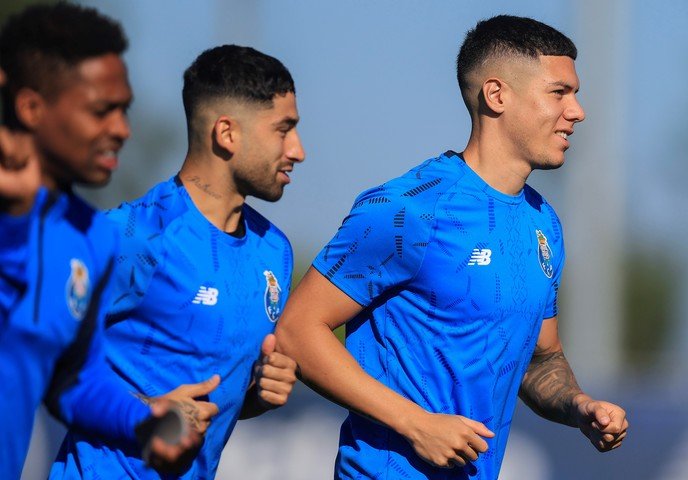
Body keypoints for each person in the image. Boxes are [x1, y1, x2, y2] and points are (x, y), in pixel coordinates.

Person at [275, 14, 629, 479]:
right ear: (497, 95)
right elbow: (297, 332)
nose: (577, 110)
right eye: (559, 93)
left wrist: (580, 407)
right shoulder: (408, 209)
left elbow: (540, 360)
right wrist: (416, 424)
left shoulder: (543, 223)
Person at [51, 44, 304, 479]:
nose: (298, 150)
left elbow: (205, 404)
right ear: (227, 133)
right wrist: (146, 412)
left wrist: (257, 394)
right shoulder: (135, 235)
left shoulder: (273, 251)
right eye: (284, 129)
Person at [0, 4, 220, 478]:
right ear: (32, 108)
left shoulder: (91, 237)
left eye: (125, 109)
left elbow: (74, 379)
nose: (121, 129)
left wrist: (145, 422)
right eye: (102, 111)